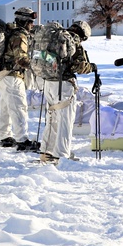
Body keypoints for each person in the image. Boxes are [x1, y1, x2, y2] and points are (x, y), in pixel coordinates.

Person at [41, 21, 96, 163]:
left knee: (52, 119)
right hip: (64, 84)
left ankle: (47, 152)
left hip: (48, 82)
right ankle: (62, 154)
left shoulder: (54, 37)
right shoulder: (73, 40)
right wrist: (91, 67)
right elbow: (78, 66)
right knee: (65, 120)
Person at [0, 8, 36, 149]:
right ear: (23, 21)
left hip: (3, 74)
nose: (32, 24)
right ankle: (22, 140)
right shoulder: (20, 36)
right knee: (19, 106)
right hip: (12, 75)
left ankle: (5, 136)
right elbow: (20, 58)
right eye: (30, 22)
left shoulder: (12, 33)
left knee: (6, 106)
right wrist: (35, 65)